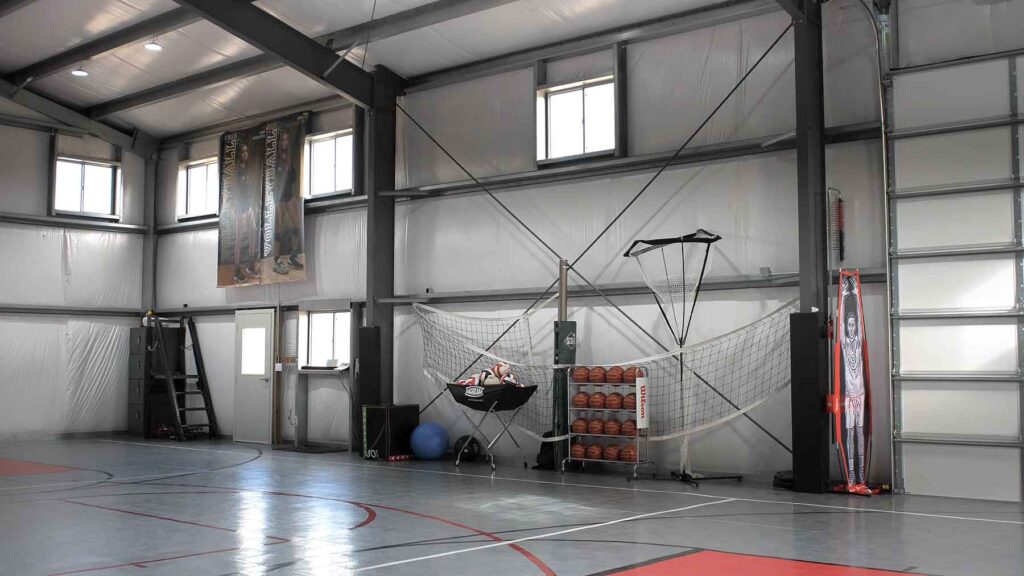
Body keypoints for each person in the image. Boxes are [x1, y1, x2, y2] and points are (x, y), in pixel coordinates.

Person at [841, 277, 866, 487]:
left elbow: (859, 319)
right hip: (849, 394)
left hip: (860, 392)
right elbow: (840, 326)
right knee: (849, 432)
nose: (850, 327)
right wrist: (843, 296)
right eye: (849, 325)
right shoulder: (845, 343)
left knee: (860, 430)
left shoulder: (858, 342)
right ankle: (851, 474)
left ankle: (861, 474)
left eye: (852, 325)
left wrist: (856, 295)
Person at [272, 127, 304, 275]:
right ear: (279, 142)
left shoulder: (289, 157)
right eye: (283, 140)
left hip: (289, 194)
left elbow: (293, 178)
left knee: (298, 223)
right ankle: (276, 260)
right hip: (280, 197)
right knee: (278, 230)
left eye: (286, 140)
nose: (285, 142)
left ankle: (293, 255)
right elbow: (276, 180)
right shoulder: (277, 159)